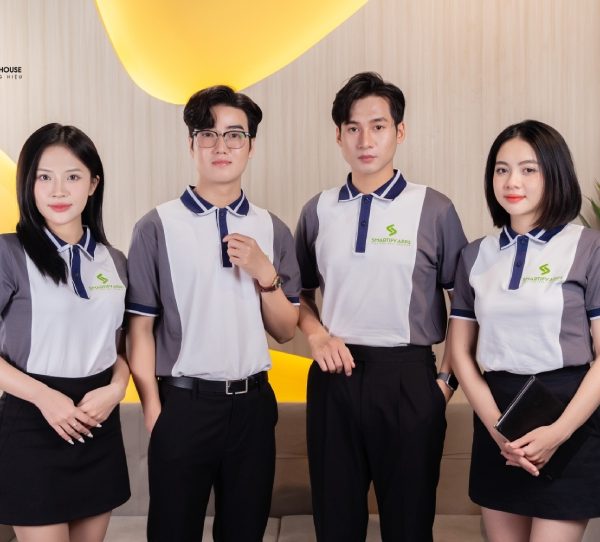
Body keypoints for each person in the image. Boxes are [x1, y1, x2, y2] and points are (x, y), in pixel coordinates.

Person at [295, 72, 467, 542]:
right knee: (335, 525)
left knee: (409, 526)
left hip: (409, 379)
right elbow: (299, 296)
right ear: (338, 136)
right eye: (353, 128)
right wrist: (316, 334)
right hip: (334, 378)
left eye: (378, 126)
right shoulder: (317, 210)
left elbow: (465, 308)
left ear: (400, 131)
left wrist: (445, 384)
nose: (365, 140)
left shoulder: (434, 208)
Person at [126, 85, 301, 542]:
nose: (221, 147)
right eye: (208, 134)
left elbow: (286, 330)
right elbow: (140, 329)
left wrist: (265, 273)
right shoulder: (156, 226)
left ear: (251, 146)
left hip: (253, 407)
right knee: (172, 532)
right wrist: (153, 410)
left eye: (234, 135)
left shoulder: (273, 228)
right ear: (192, 144)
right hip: (183, 405)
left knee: (244, 531)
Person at [449, 119, 600, 542]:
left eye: (528, 169)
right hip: (498, 415)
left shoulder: (589, 247)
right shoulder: (475, 255)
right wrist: (498, 430)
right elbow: (460, 353)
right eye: (501, 169)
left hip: (569, 415)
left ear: (554, 173)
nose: (512, 181)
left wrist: (558, 433)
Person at [0, 123, 130, 541]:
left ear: (93, 184)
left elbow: (120, 348)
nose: (58, 191)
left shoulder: (115, 260)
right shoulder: (8, 253)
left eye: (72, 177)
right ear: (28, 184)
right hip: (32, 422)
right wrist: (44, 397)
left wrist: (116, 390)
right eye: (44, 177)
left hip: (97, 419)